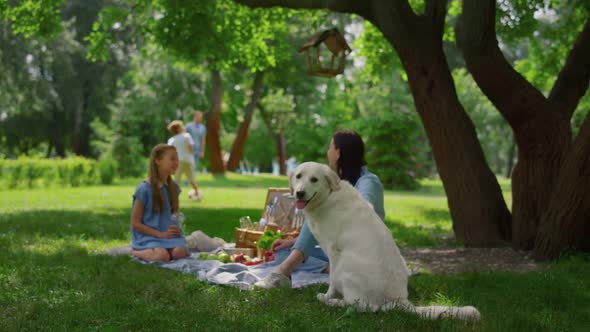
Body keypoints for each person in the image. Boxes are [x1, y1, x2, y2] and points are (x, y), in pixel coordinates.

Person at [255, 129, 385, 288]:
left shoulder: (368, 181)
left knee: (321, 211)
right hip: (340, 249)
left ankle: (283, 272)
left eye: (330, 147)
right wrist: (294, 241)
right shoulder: (339, 183)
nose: (327, 152)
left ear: (337, 153)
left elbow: (365, 213)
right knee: (282, 253)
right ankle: (329, 267)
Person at [130, 144, 189, 262]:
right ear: (157, 161)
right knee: (162, 257)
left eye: (177, 159)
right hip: (148, 236)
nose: (176, 162)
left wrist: (177, 226)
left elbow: (175, 215)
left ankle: (163, 250)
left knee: (180, 252)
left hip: (168, 236)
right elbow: (135, 223)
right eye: (172, 159)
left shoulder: (174, 188)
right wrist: (160, 234)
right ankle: (134, 251)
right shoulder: (144, 189)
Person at [167, 120, 202, 200]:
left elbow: (170, 152)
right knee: (192, 179)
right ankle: (197, 193)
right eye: (181, 126)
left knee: (176, 180)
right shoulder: (187, 136)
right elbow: (191, 148)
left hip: (177, 161)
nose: (183, 127)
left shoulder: (171, 140)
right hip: (188, 160)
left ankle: (173, 197)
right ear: (178, 129)